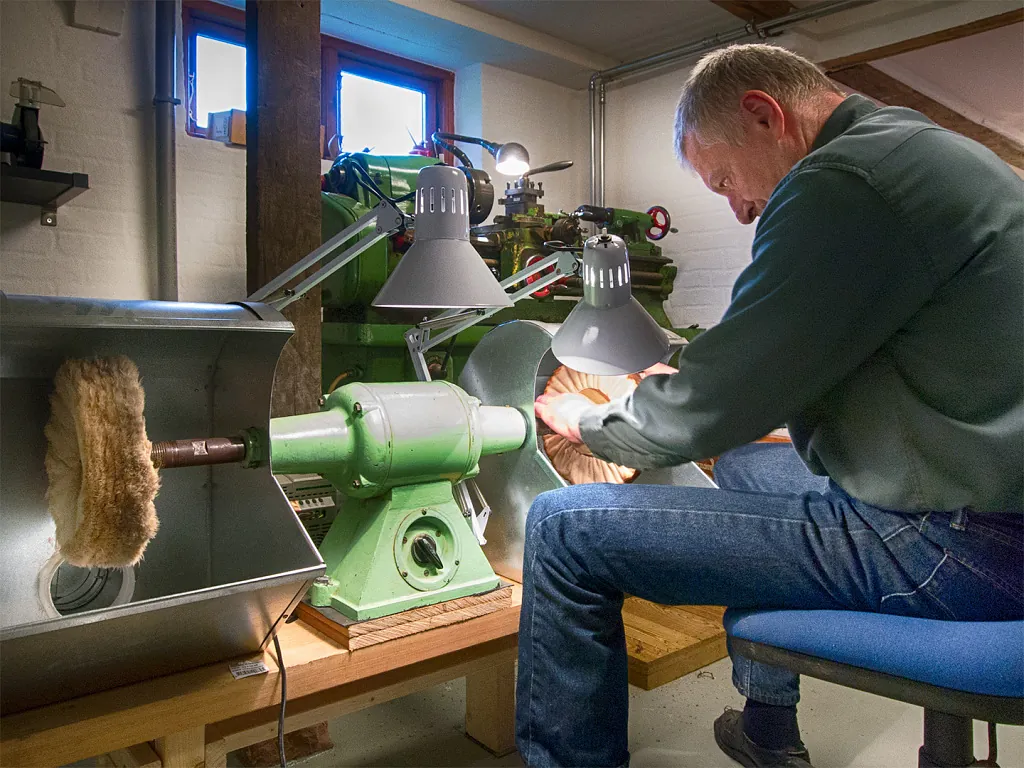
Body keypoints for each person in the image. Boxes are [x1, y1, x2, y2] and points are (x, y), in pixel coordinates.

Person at [520, 43, 1023, 768]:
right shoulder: (928, 154)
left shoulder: (845, 182)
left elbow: (712, 412)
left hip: (953, 547)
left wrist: (589, 420)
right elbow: (808, 348)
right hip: (988, 508)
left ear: (765, 115)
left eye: (725, 181)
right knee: (749, 467)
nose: (739, 209)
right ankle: (767, 728)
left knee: (562, 527)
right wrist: (690, 374)